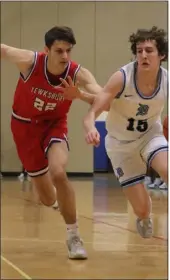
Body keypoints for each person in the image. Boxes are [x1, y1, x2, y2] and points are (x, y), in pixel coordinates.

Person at [1, 26, 102, 259]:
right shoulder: (30, 61)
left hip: (54, 125)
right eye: (59, 51)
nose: (65, 56)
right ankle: (57, 200)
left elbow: (103, 97)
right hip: (24, 128)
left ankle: (73, 236)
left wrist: (80, 96)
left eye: (68, 50)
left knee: (58, 172)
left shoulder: (78, 73)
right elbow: (4, 50)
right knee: (47, 199)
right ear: (47, 50)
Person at [82, 26, 168, 238]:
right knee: (142, 209)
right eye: (139, 51)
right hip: (121, 145)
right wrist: (91, 126)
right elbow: (93, 111)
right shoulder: (122, 78)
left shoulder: (166, 80)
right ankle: (144, 216)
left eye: (149, 50)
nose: (143, 55)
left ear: (162, 55)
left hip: (150, 135)